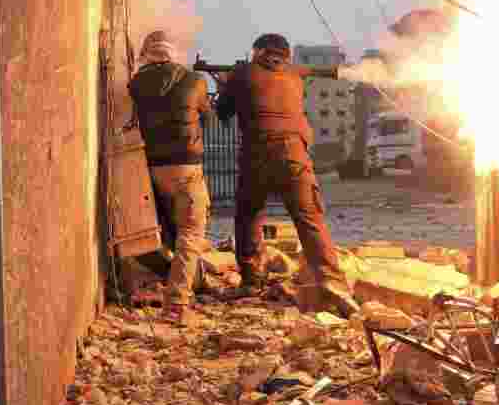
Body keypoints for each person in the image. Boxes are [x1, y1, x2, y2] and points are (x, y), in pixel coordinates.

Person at [215, 33, 359, 318]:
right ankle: (333, 284)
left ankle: (252, 280)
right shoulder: (294, 74)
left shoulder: (243, 72)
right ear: (285, 55)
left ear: (257, 52)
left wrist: (224, 83)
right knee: (309, 219)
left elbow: (222, 113)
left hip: (257, 154)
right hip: (295, 154)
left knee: (249, 214)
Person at [128, 30, 215, 325]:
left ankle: (192, 282)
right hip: (187, 167)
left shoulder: (136, 83)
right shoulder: (195, 80)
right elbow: (210, 116)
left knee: (168, 231)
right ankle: (176, 305)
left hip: (153, 167)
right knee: (191, 232)